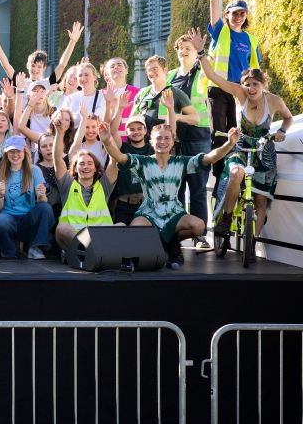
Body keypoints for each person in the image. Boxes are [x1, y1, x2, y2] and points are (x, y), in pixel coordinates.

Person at [190, 28, 293, 240]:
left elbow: (288, 117)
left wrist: (282, 130)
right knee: (236, 173)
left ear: (264, 85)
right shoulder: (239, 93)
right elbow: (212, 76)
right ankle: (226, 219)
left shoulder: (274, 100)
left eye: (255, 84)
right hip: (240, 145)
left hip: (264, 150)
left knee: (261, 199)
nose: (250, 88)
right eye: (247, 84)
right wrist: (201, 52)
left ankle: (252, 242)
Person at [102, 119, 240, 269]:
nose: (163, 141)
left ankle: (169, 241)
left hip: (174, 212)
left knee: (199, 226)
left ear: (173, 142)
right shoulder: (143, 162)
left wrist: (230, 143)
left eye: (167, 138)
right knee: (136, 229)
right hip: (149, 212)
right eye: (159, 138)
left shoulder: (181, 162)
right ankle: (169, 245)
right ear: (151, 142)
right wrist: (107, 141)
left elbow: (210, 157)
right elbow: (120, 157)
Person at [208, 0, 262, 181]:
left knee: (239, 135)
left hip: (240, 94)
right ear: (227, 15)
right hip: (219, 89)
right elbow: (213, 3)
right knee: (220, 134)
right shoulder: (222, 31)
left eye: (242, 13)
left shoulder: (251, 40)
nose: (238, 17)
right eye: (234, 13)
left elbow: (257, 73)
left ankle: (237, 176)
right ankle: (219, 178)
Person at [169, 33, 218, 246]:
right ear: (177, 51)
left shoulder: (203, 72)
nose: (184, 49)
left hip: (199, 136)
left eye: (189, 46)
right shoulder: (169, 76)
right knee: (176, 188)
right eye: (181, 46)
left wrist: (202, 51)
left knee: (197, 188)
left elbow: (215, 74)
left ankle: (199, 234)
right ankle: (180, 232)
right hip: (175, 139)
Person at [0, 135, 54, 259]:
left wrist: (41, 195)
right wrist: (0, 195)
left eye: (18, 151)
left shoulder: (34, 170)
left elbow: (43, 201)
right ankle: (9, 250)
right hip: (9, 218)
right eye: (11, 152)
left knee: (45, 208)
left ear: (24, 152)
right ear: (6, 154)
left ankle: (34, 247)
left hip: (28, 219)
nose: (15, 155)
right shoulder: (0, 173)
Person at [52, 145, 118, 249]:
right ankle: (88, 250)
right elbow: (57, 159)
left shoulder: (104, 186)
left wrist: (106, 140)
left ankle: (99, 252)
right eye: (81, 164)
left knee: (121, 226)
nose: (86, 166)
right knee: (62, 228)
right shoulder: (67, 185)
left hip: (101, 237)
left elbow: (114, 161)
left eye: (90, 163)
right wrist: (59, 133)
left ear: (95, 168)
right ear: (75, 169)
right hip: (76, 241)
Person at [131, 55, 197, 132]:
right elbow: (132, 118)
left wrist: (177, 117)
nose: (151, 72)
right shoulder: (142, 93)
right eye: (149, 70)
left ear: (165, 70)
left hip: (165, 141)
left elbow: (195, 118)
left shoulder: (176, 93)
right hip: (144, 141)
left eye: (155, 69)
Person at [108, 114, 153, 225]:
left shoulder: (152, 149)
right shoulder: (122, 148)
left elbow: (171, 134)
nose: (136, 132)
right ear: (126, 132)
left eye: (139, 129)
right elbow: (113, 132)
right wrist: (120, 108)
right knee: (121, 232)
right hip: (124, 205)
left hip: (146, 206)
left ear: (145, 130)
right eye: (131, 129)